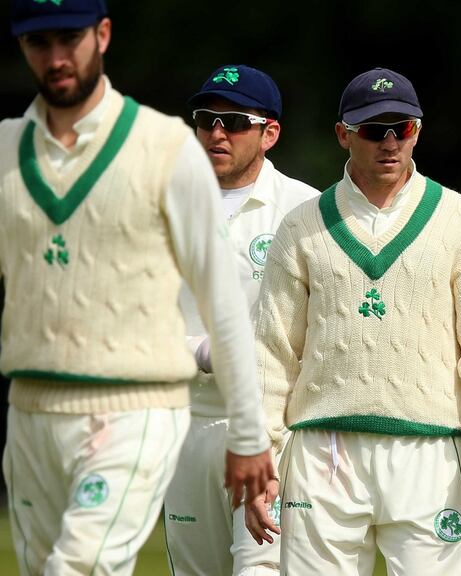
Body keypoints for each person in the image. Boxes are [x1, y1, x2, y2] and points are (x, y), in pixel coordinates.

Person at [0, 1, 274, 574]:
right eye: (36, 42)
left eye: (68, 39)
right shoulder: (6, 150)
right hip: (31, 409)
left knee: (77, 568)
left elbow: (223, 303)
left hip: (136, 405)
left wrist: (250, 433)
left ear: (101, 34)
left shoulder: (165, 149)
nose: (54, 58)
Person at [244, 67, 461, 574]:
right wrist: (262, 453)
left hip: (432, 450)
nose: (391, 142)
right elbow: (272, 352)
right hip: (321, 449)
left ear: (419, 129)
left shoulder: (457, 218)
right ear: (343, 134)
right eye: (374, 130)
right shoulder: (302, 225)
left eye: (404, 128)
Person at [163, 64, 319, 576]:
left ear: (269, 133)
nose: (216, 132)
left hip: (275, 427)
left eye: (235, 122)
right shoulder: (163, 204)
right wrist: (200, 352)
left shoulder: (306, 209)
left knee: (260, 570)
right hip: (187, 423)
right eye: (206, 119)